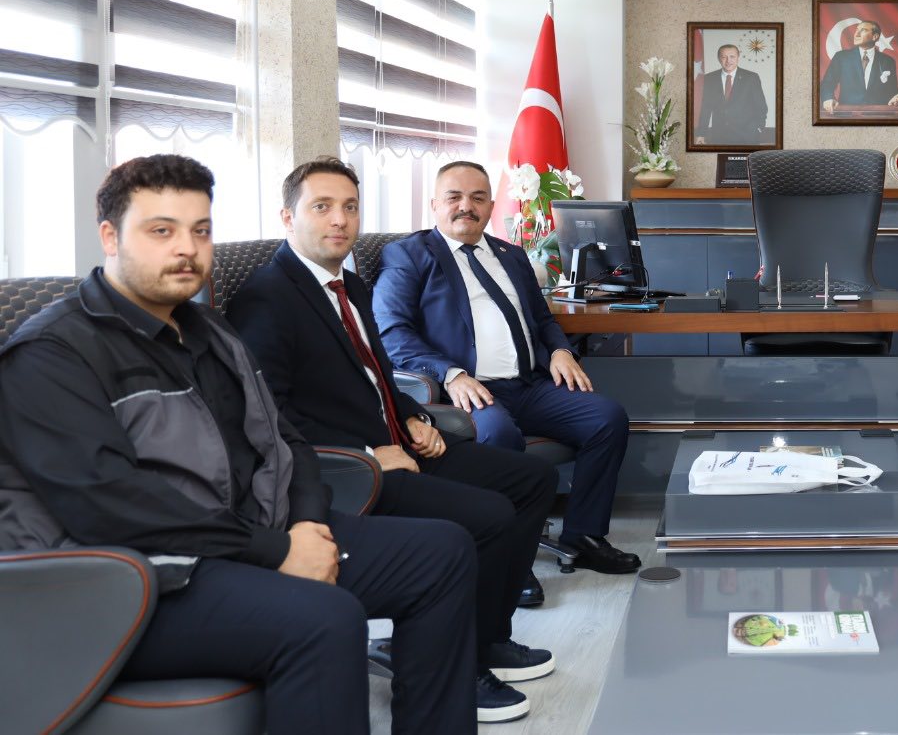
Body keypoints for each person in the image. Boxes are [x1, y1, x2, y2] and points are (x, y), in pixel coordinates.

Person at [0, 155, 478, 734]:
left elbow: (286, 437)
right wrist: (275, 552)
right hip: (133, 581)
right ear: (109, 237)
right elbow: (109, 505)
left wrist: (307, 525)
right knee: (326, 619)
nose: (187, 248)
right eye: (161, 231)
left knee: (442, 553)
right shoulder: (52, 353)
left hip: (243, 538)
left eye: (200, 230)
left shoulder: (208, 329)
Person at [227, 157, 561, 724]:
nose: (340, 220)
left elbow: (379, 374)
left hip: (399, 446)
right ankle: (455, 665)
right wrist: (364, 454)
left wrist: (410, 416)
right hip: (347, 471)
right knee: (488, 516)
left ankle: (487, 638)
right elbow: (268, 417)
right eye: (322, 207)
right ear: (287, 217)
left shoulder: (350, 285)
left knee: (534, 479)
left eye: (350, 207)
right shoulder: (267, 298)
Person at [372, 160, 640, 575]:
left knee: (606, 418)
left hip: (529, 386)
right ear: (434, 204)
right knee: (498, 434)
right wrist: (451, 374)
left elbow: (543, 319)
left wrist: (559, 351)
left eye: (478, 197)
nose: (466, 206)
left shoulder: (511, 255)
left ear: (491, 206)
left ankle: (584, 535)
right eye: (454, 197)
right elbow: (392, 333)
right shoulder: (408, 255)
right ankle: (509, 557)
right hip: (468, 391)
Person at [819, 18, 898, 112]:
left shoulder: (888, 61)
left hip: (878, 115)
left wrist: (897, 96)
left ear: (875, 37)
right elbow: (828, 83)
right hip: (847, 114)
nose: (856, 34)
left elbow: (892, 90)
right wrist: (828, 98)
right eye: (857, 30)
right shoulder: (841, 57)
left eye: (863, 30)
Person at [694, 43, 768, 146]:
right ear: (719, 58)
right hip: (719, 136)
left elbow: (761, 106)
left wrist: (759, 128)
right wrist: (701, 133)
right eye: (724, 57)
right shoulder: (709, 79)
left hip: (747, 136)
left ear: (738, 57)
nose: (728, 61)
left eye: (732, 56)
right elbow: (705, 108)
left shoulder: (751, 78)